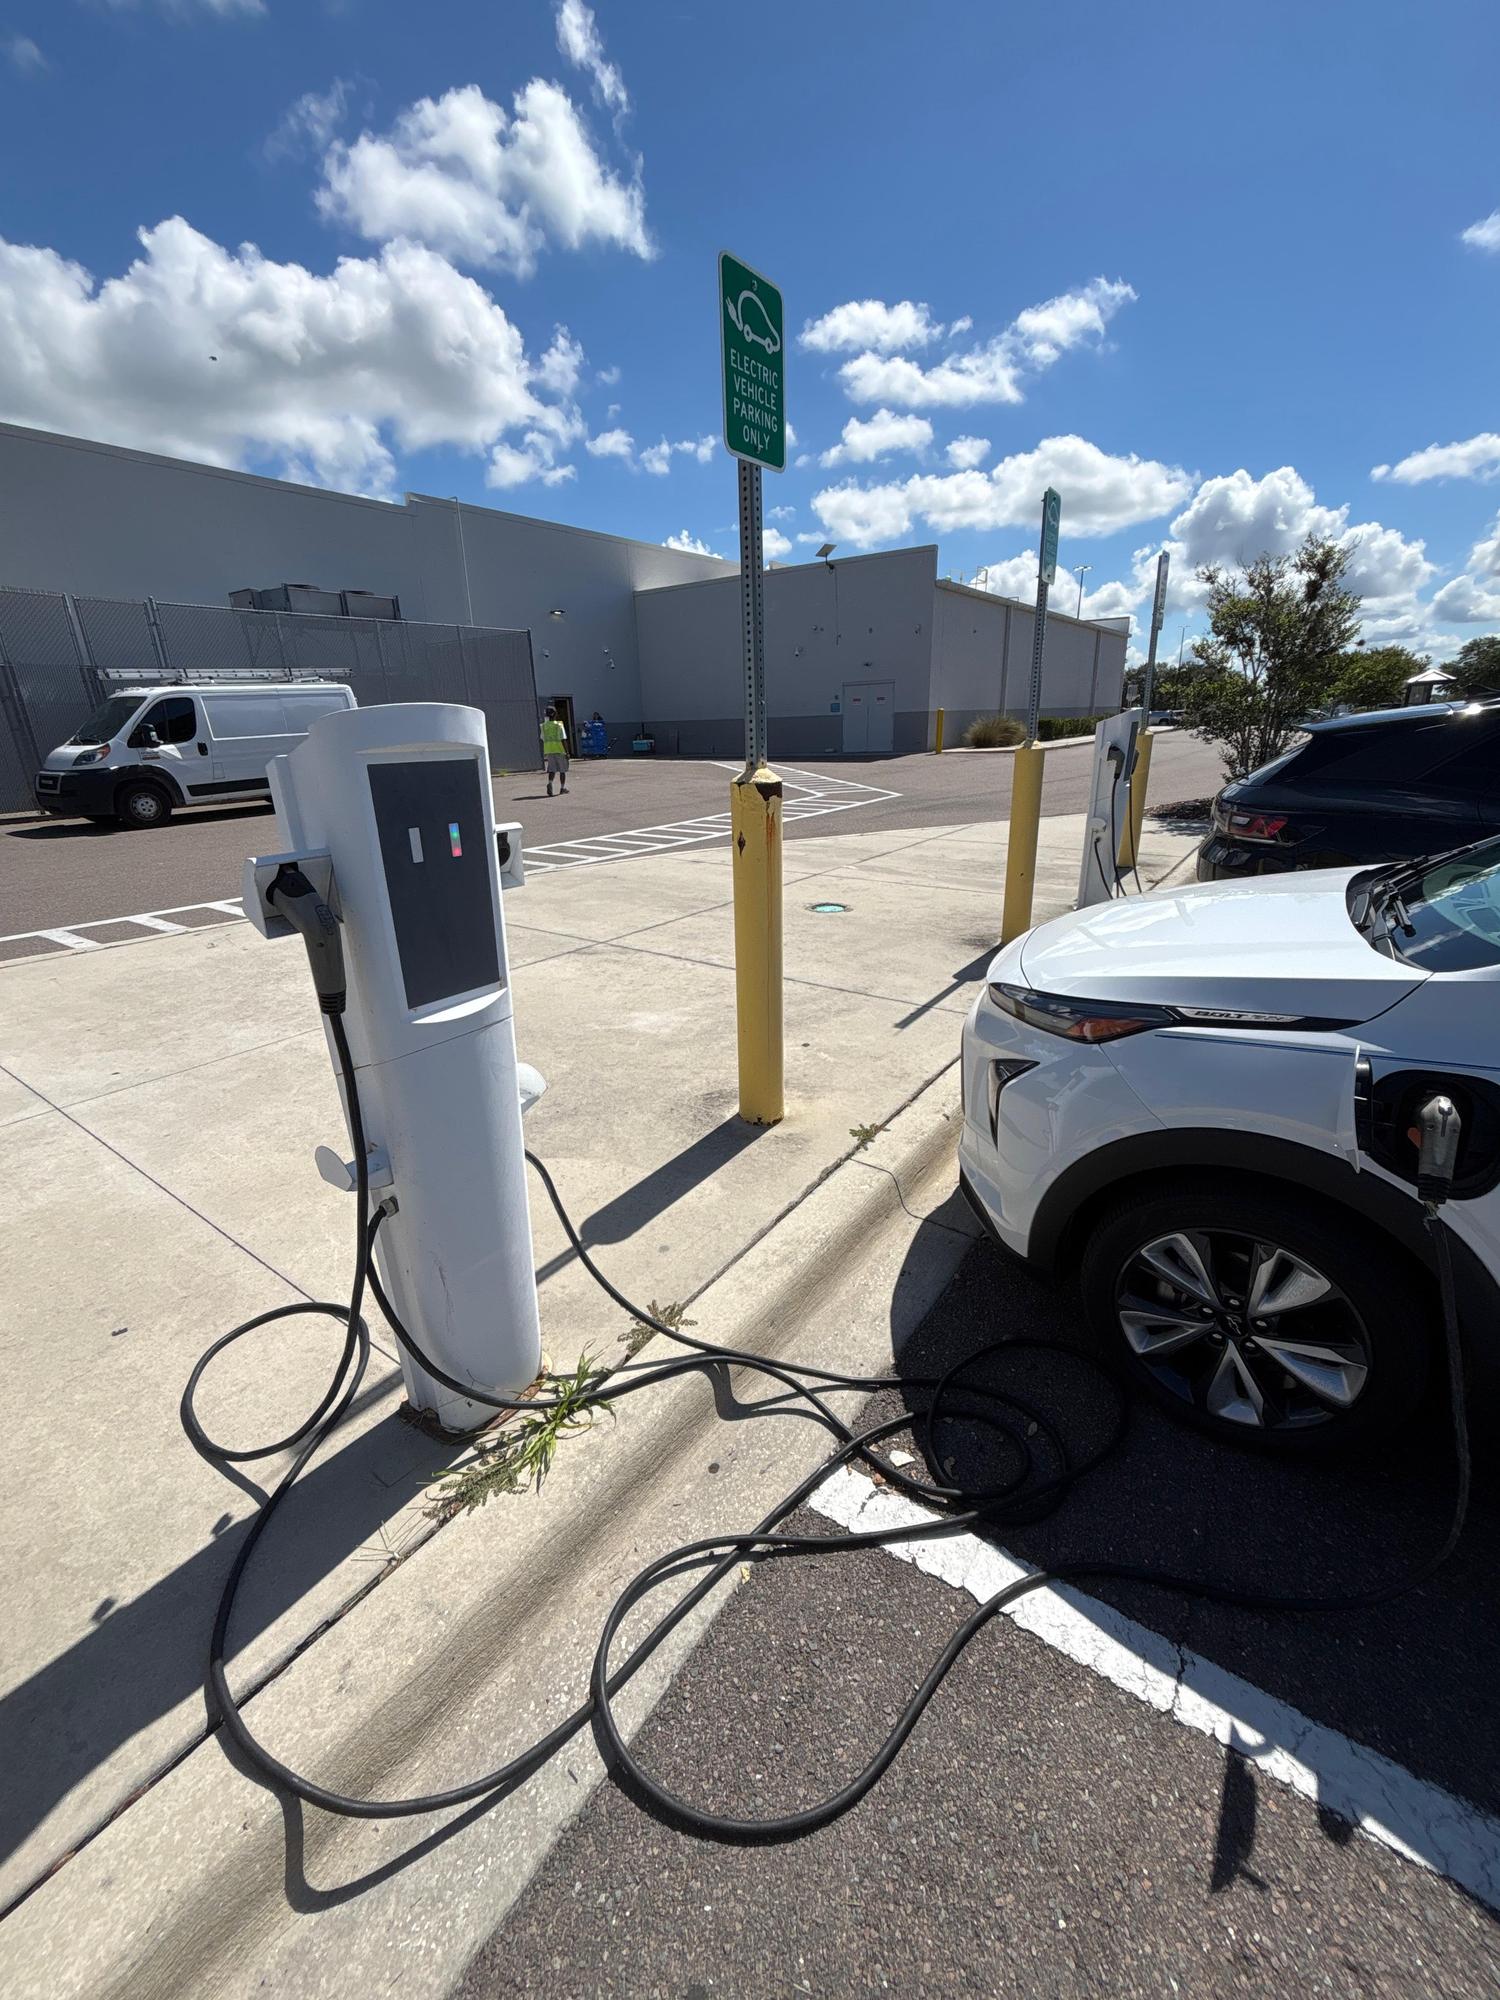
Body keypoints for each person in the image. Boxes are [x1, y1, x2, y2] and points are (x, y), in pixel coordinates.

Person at [541, 705, 569, 795]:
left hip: (549, 750)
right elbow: (563, 739)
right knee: (562, 770)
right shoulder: (559, 725)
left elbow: (543, 738)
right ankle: (562, 788)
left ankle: (550, 783)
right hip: (559, 750)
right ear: (555, 714)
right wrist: (567, 752)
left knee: (552, 769)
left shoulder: (544, 726)